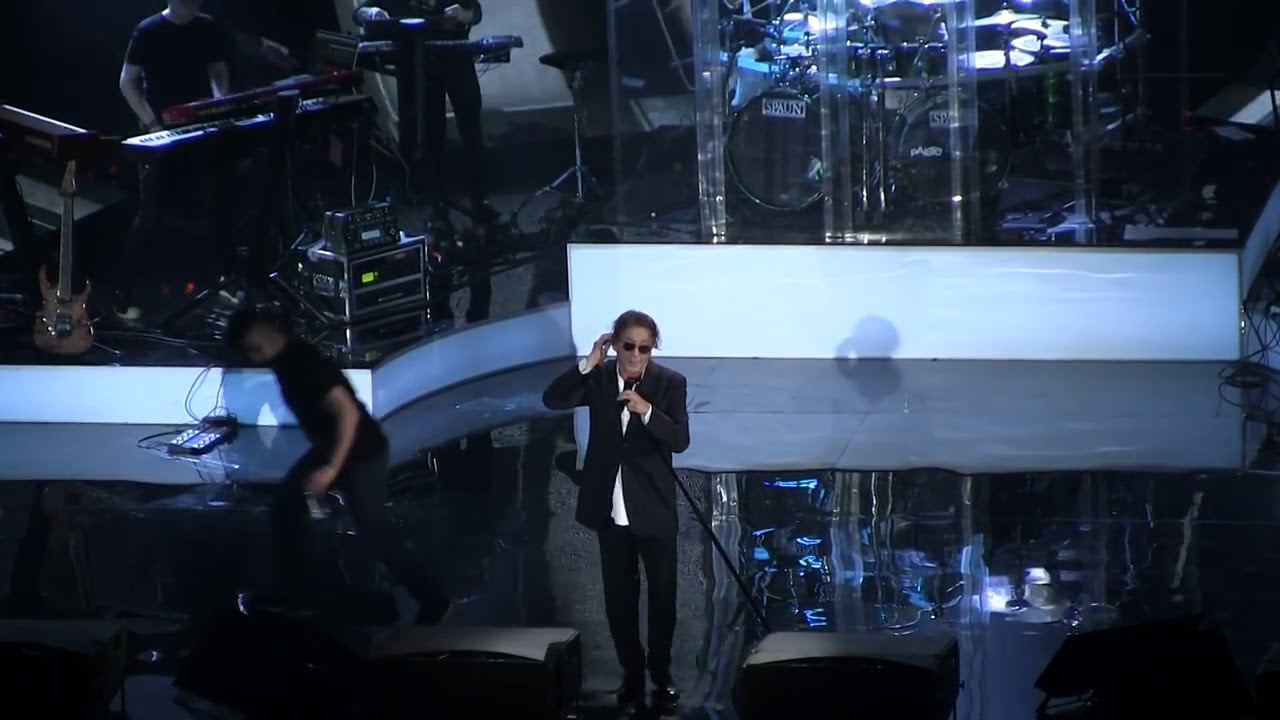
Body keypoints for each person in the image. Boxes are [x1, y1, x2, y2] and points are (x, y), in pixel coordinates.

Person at [225, 305, 452, 624]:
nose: (252, 358)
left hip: (361, 451)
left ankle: (434, 598)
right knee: (286, 508)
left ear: (261, 336)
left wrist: (331, 469)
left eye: (252, 349)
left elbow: (348, 413)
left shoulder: (303, 362)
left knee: (375, 531)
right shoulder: (285, 360)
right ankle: (293, 594)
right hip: (332, 447)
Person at [541, 310, 690, 714]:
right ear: (615, 344)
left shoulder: (670, 383)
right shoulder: (599, 379)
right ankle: (632, 671)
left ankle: (661, 671)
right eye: (629, 346)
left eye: (645, 347)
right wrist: (589, 362)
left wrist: (647, 411)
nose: (637, 355)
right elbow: (553, 399)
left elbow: (679, 439)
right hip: (610, 507)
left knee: (662, 597)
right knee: (619, 598)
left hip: (653, 508)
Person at [117, 0, 233, 324]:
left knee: (212, 207)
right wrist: (151, 123)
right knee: (150, 214)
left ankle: (217, 283)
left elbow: (218, 68)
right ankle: (124, 294)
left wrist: (220, 101)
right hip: (161, 128)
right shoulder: (148, 30)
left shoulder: (206, 26)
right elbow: (127, 81)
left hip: (199, 125)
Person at [352, 0, 498, 223]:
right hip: (418, 66)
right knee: (432, 138)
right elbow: (359, 13)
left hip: (456, 62)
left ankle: (480, 201)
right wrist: (371, 13)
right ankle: (437, 207)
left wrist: (463, 15)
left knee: (471, 134)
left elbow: (475, 12)